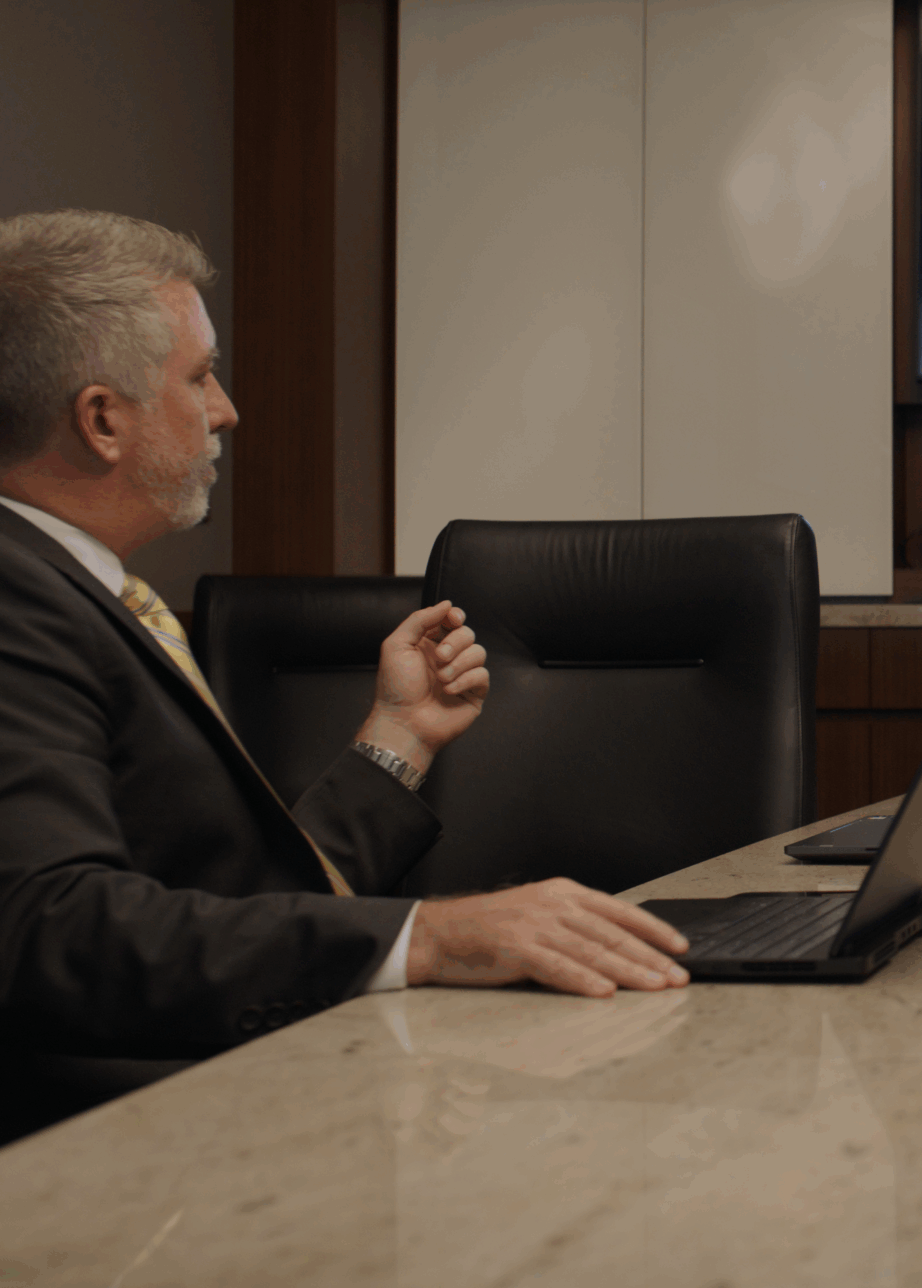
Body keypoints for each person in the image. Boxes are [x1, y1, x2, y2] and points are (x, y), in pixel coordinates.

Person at [0, 210, 691, 1134]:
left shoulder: (76, 588)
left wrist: (397, 738)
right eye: (202, 376)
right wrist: (432, 936)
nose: (226, 410)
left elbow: (239, 904)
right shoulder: (14, 596)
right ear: (101, 420)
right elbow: (52, 931)